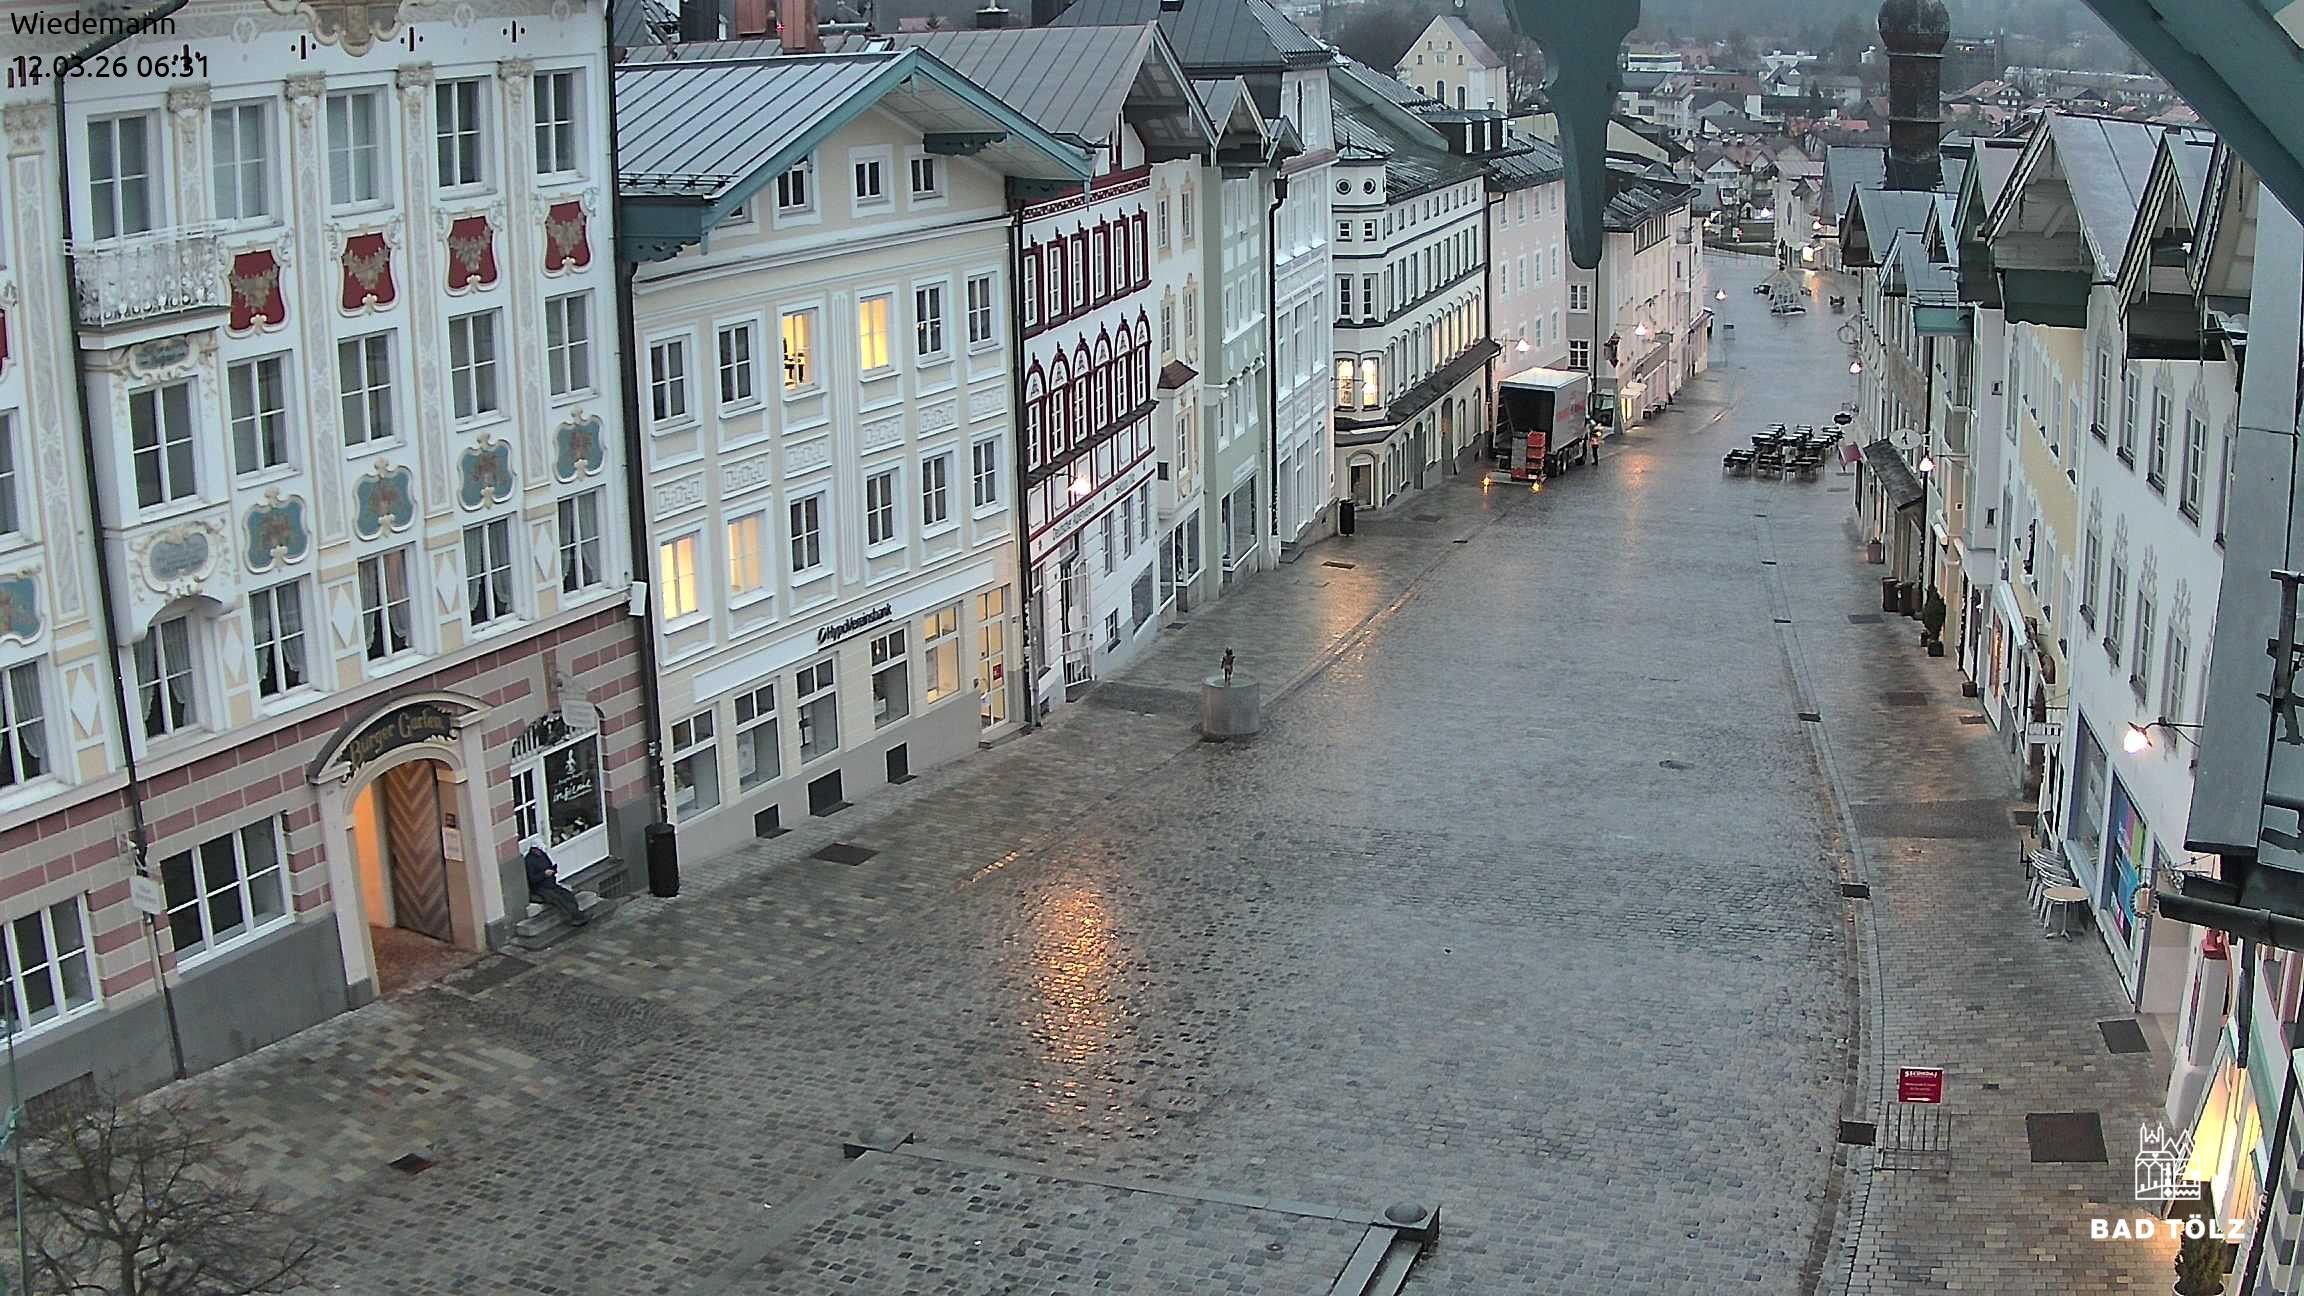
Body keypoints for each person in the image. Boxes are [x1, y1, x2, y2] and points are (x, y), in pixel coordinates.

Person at [523, 837, 589, 926]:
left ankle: (579, 914)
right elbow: (532, 879)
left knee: (568, 895)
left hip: (551, 884)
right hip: (541, 888)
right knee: (559, 899)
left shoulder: (543, 855)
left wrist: (553, 870)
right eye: (538, 850)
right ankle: (572, 918)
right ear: (534, 849)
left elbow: (549, 865)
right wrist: (544, 874)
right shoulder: (529, 861)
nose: (540, 852)